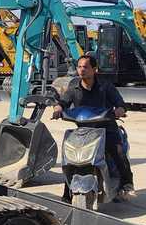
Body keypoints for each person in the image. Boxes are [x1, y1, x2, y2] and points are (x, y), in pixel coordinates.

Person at [52, 53, 136, 200]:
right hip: (83, 130)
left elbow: (120, 103)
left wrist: (119, 110)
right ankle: (67, 191)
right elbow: (63, 101)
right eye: (79, 67)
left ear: (94, 69)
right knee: (71, 158)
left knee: (118, 152)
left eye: (85, 67)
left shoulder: (105, 86)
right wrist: (58, 109)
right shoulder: (73, 86)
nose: (81, 70)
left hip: (106, 128)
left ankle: (127, 184)